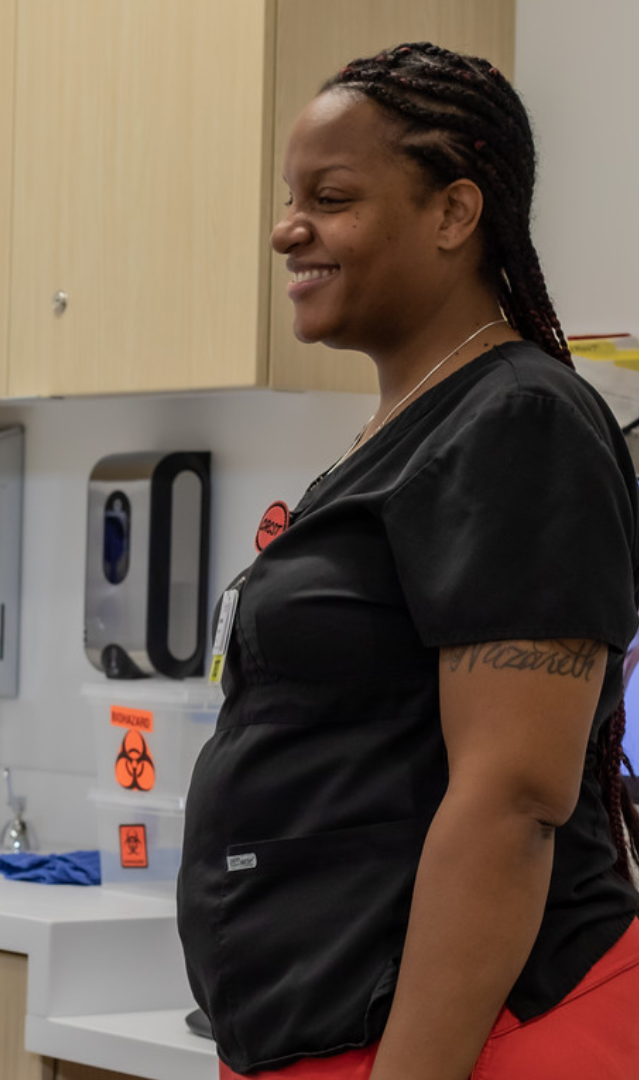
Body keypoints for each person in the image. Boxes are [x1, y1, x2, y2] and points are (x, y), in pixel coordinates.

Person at [178, 43, 639, 1080]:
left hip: (489, 1041)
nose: (287, 228)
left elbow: (512, 800)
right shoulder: (412, 429)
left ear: (453, 213)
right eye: (290, 197)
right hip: (346, 1032)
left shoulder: (517, 421)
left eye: (331, 197)